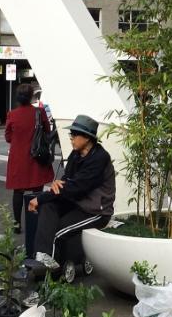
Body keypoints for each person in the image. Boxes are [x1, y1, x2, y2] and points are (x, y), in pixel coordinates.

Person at [28, 114, 115, 269]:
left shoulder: (100, 158)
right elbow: (66, 180)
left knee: (58, 232)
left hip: (95, 211)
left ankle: (51, 273)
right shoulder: (76, 154)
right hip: (77, 202)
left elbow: (77, 187)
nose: (71, 138)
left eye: (75, 135)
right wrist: (55, 187)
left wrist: (41, 197)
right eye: (71, 134)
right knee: (48, 205)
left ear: (87, 138)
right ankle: (43, 256)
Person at [5, 84, 54, 234]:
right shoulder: (39, 113)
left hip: (18, 157)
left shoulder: (12, 114)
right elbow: (47, 131)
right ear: (32, 96)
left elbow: (8, 137)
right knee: (37, 189)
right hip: (36, 156)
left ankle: (17, 224)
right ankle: (35, 221)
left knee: (18, 191)